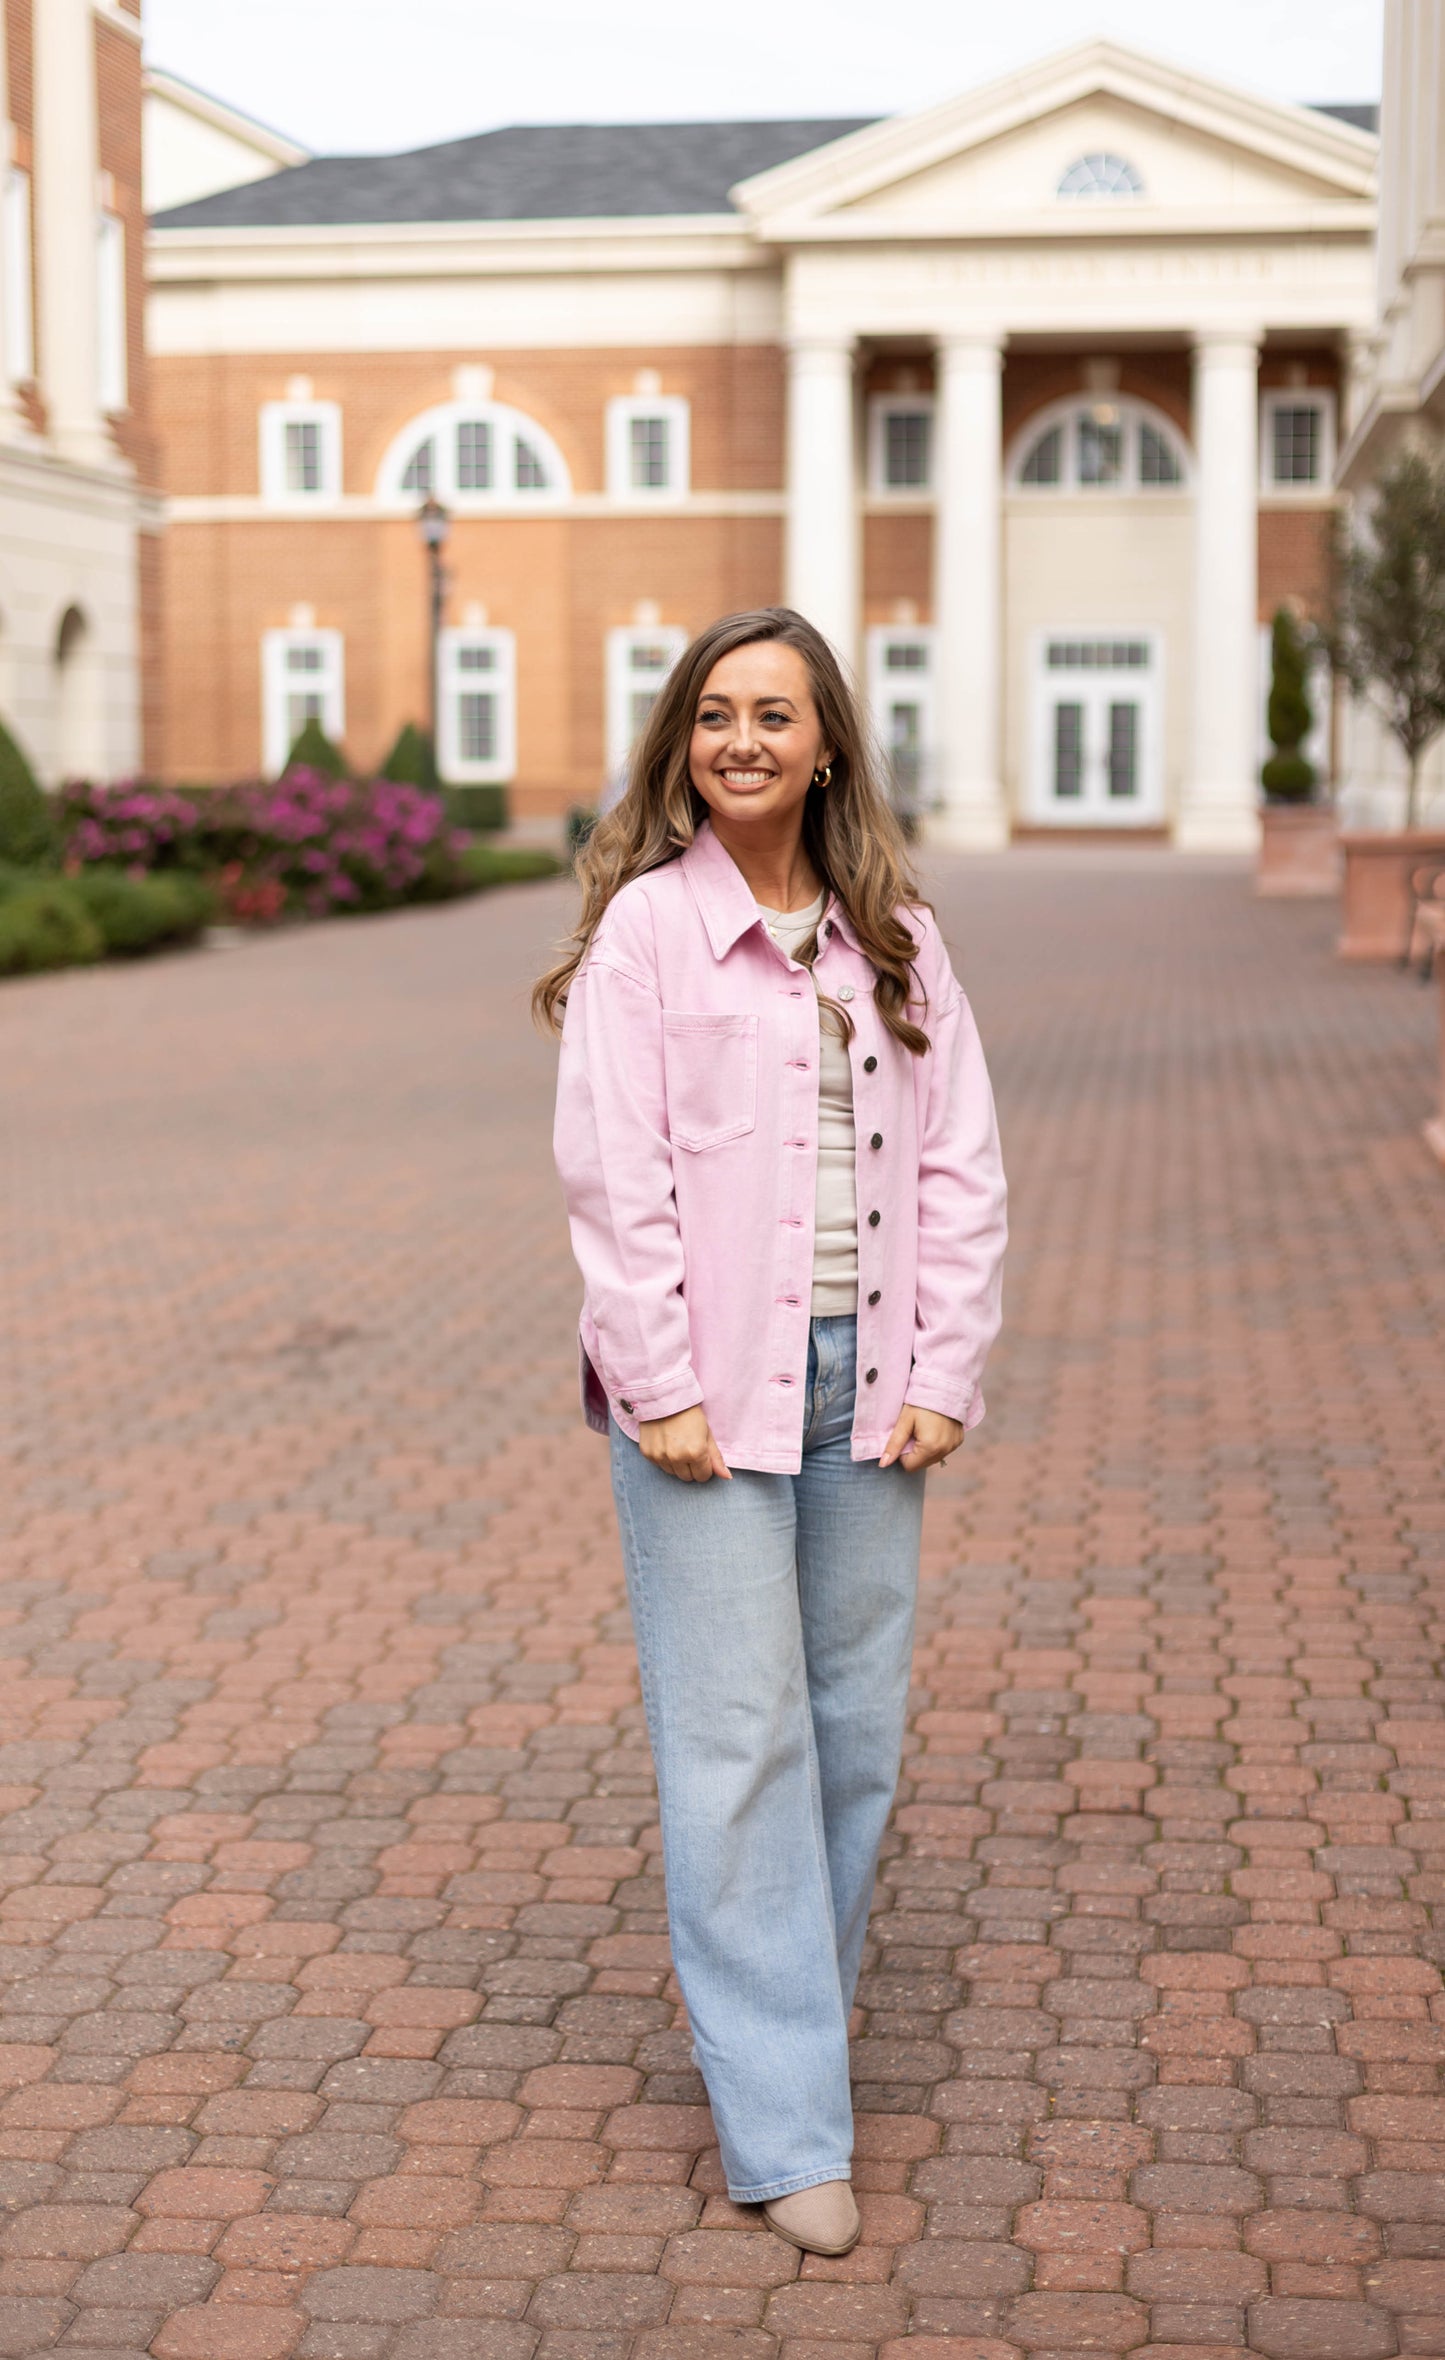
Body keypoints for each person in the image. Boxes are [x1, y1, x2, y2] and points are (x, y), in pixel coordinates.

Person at [535, 607, 1006, 2257]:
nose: (743, 739)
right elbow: (614, 1175)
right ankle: (789, 2119)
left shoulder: (897, 935)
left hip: (865, 1382)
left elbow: (958, 1160)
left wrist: (945, 1360)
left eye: (775, 715)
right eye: (716, 714)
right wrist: (657, 1381)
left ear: (824, 748)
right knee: (737, 1752)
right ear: (683, 743)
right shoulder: (648, 939)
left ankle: (787, 2015)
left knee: (851, 1734)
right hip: (705, 1398)